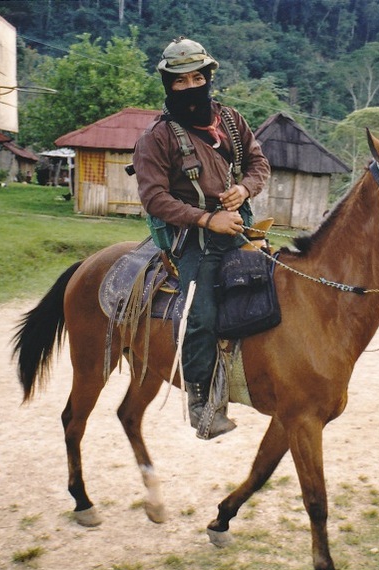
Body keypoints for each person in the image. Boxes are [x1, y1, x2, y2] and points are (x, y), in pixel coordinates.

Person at [132, 37, 270, 439]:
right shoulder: (155, 138)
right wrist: (208, 219)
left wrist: (244, 189)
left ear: (208, 77)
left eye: (197, 77)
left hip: (239, 225)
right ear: (168, 85)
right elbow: (154, 198)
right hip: (190, 239)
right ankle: (202, 403)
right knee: (202, 310)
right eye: (180, 81)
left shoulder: (231, 120)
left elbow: (259, 163)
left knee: (281, 287)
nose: (191, 87)